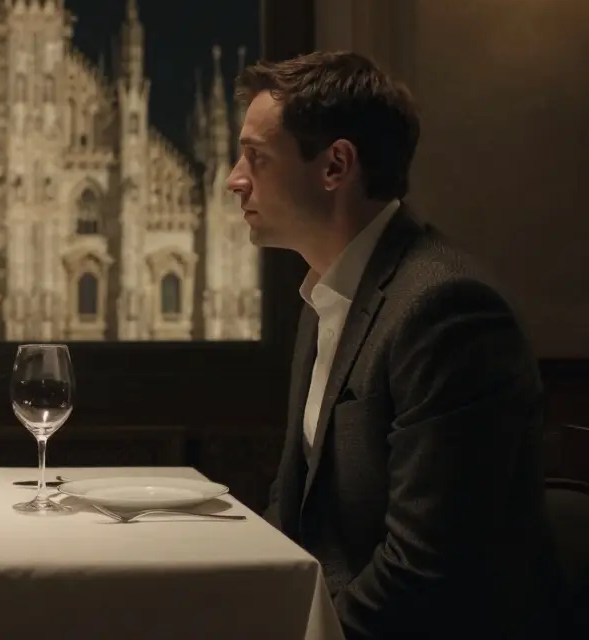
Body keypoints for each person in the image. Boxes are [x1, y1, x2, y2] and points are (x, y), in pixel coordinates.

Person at [230, 51, 565, 638]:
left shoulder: (446, 310)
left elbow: (427, 566)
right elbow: (294, 508)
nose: (235, 178)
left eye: (257, 158)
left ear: (336, 166)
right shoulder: (325, 293)